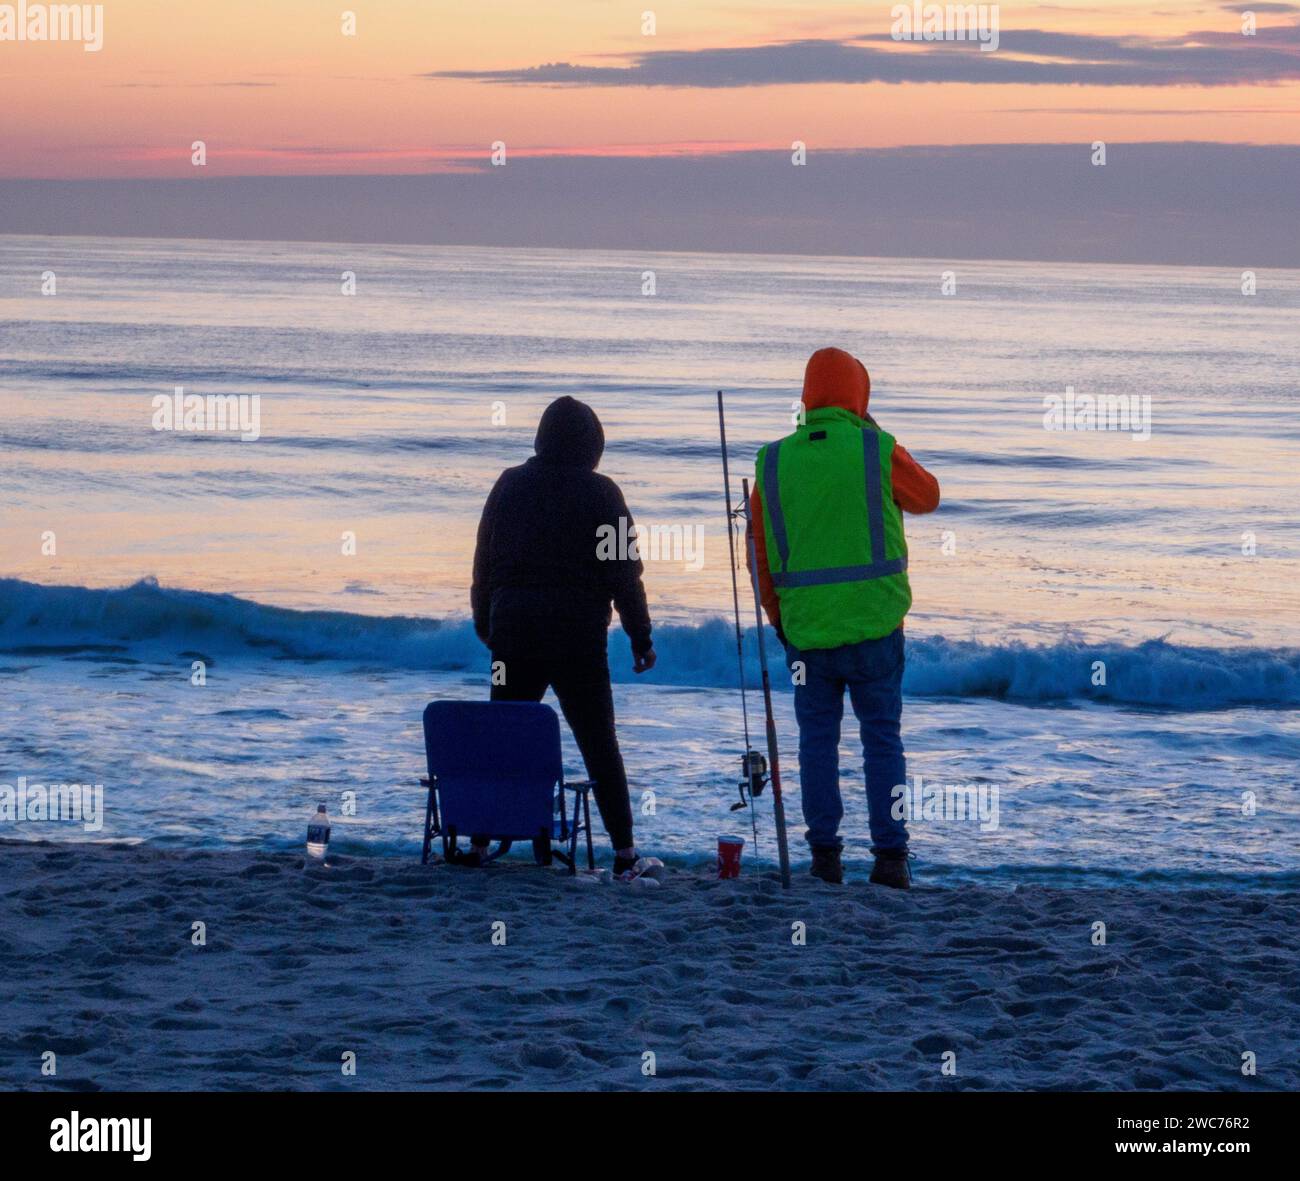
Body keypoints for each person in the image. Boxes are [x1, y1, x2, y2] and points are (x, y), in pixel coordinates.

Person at [748, 348, 939, 887]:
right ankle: (890, 859)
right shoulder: (876, 449)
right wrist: (879, 436)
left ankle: (825, 858)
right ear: (860, 395)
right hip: (876, 627)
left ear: (808, 395)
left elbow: (760, 556)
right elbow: (929, 496)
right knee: (882, 740)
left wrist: (779, 618)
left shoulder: (774, 460)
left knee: (816, 743)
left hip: (806, 633)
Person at [470, 395, 656, 872]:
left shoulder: (509, 485)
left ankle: (479, 842)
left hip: (513, 630)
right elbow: (624, 574)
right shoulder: (602, 493)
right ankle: (624, 852)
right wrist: (640, 637)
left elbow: (483, 562)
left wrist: (485, 622)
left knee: (506, 735)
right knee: (599, 742)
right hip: (578, 636)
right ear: (593, 446)